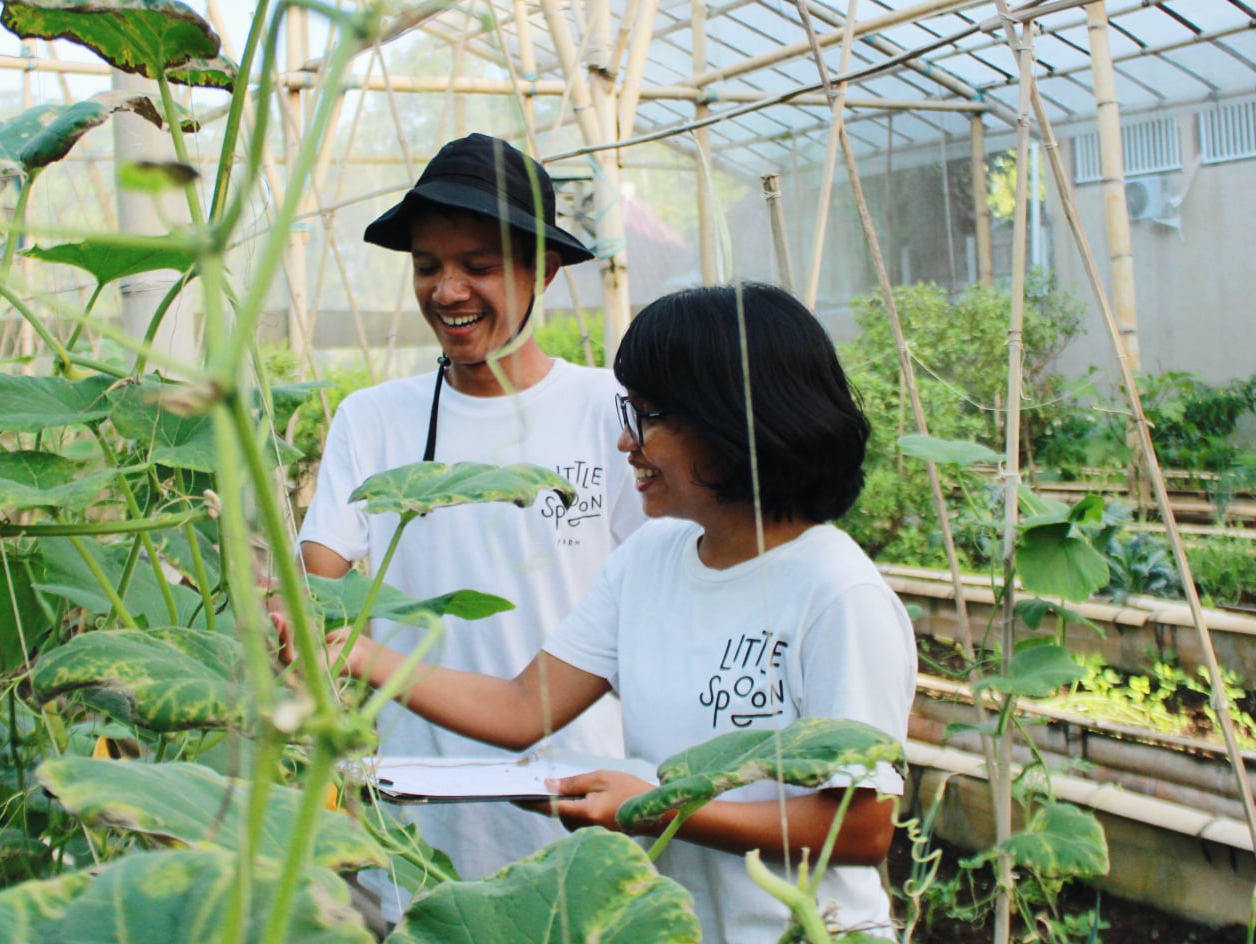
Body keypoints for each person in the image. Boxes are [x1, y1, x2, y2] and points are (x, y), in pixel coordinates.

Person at [312, 283, 916, 943]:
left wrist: (655, 809)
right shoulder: (650, 558)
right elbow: (524, 708)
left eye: (651, 417)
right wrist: (357, 652)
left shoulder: (837, 594)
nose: (627, 442)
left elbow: (862, 827)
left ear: (731, 423)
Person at [296, 134, 644, 912]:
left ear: (542, 272)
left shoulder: (613, 414)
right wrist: (283, 613)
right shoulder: (374, 421)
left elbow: (658, 605)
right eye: (427, 266)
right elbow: (313, 588)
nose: (448, 290)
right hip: (418, 820)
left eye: (479, 266)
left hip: (578, 812)